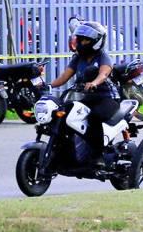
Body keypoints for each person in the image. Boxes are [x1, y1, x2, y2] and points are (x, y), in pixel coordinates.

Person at [48, 21, 119, 166]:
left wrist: (94, 83)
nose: (81, 42)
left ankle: (98, 155)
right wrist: (47, 85)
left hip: (107, 98)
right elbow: (63, 77)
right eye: (79, 39)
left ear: (96, 41)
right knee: (64, 114)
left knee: (94, 117)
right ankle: (67, 153)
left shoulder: (102, 57)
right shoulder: (77, 58)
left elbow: (104, 74)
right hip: (88, 98)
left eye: (85, 40)